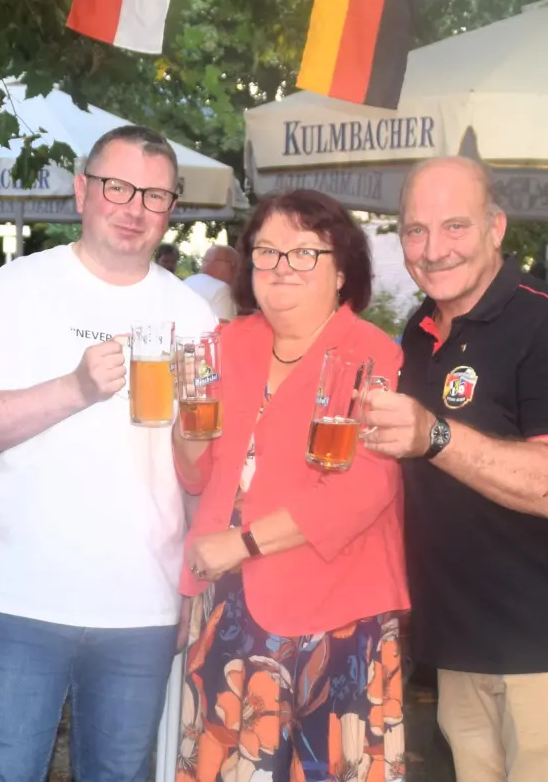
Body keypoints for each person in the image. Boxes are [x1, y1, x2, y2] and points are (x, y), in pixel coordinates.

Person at [0, 125, 217, 780]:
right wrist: (74, 389)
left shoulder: (195, 317)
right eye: (117, 187)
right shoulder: (16, 288)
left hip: (142, 603)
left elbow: (201, 472)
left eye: (155, 196)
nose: (135, 209)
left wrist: (192, 585)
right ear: (81, 191)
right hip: (19, 595)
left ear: (172, 209)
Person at [363, 156, 548, 782]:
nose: (434, 249)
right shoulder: (419, 331)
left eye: (455, 226)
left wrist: (433, 435)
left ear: (496, 228)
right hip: (463, 643)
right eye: (416, 230)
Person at [175, 190, 408, 781]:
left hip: (333, 612)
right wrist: (187, 428)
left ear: (341, 270)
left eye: (304, 252)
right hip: (227, 606)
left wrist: (242, 543)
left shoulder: (374, 355)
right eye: (268, 251)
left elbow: (365, 490)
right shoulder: (225, 344)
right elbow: (196, 474)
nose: (282, 267)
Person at [183, 243, 239, 323]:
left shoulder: (188, 281)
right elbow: (225, 328)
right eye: (235, 264)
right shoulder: (222, 290)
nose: (237, 271)